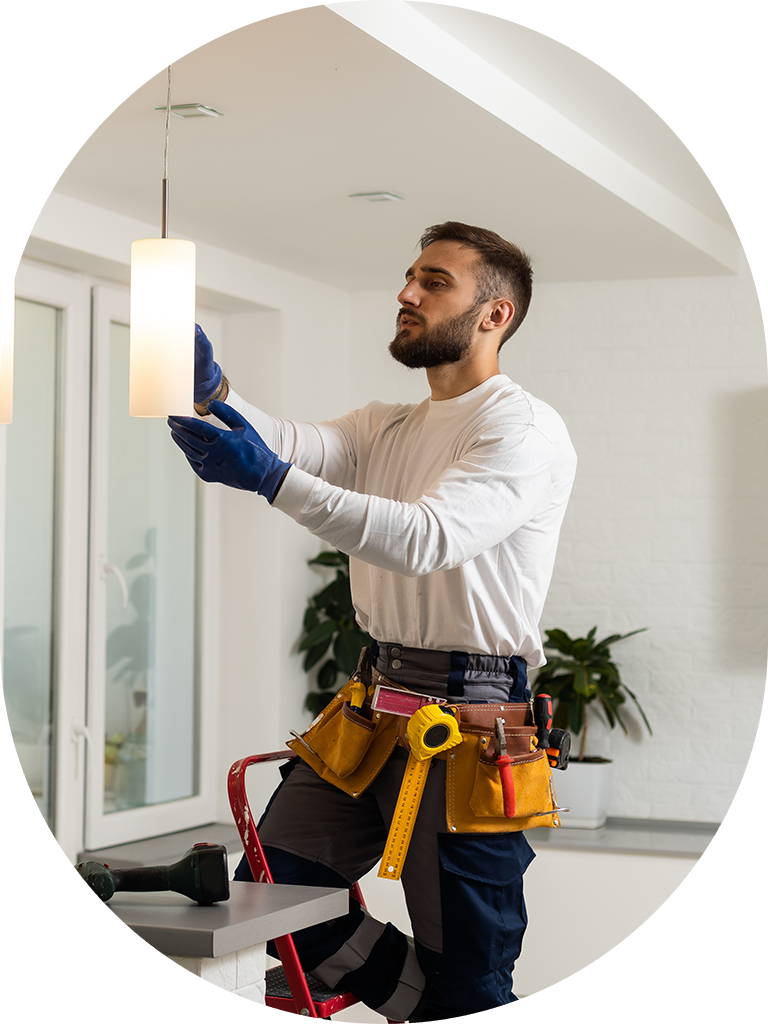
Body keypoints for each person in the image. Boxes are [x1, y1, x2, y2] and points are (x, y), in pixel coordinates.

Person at [169, 221, 577, 1024]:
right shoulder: (384, 423)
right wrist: (219, 397)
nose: (406, 293)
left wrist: (273, 481)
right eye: (408, 278)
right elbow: (289, 445)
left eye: (434, 282)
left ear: (495, 315)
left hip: (472, 722)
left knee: (470, 961)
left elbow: (426, 539)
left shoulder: (521, 430)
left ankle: (457, 1003)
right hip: (374, 702)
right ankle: (435, 1006)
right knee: (273, 898)